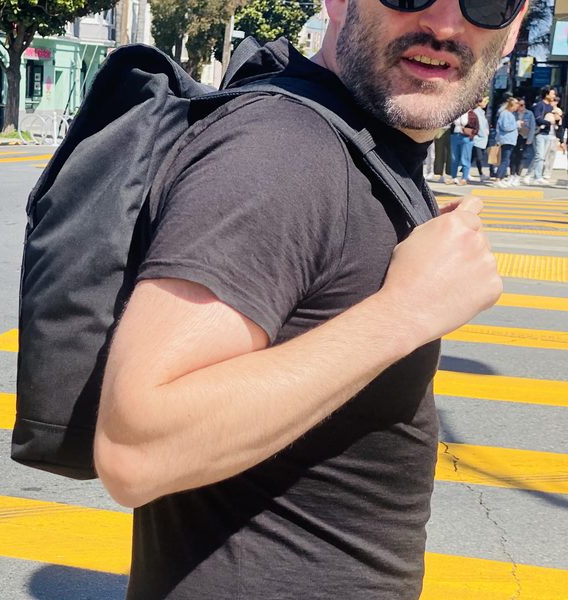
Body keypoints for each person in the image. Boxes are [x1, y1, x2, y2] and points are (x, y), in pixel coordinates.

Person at [94, 0, 517, 596]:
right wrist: (405, 313)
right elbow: (136, 448)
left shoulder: (363, 139)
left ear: (517, 21)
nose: (446, 25)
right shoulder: (281, 151)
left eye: (489, 1)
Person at [530, 86, 557, 184]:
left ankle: (529, 175)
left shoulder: (550, 107)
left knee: (541, 157)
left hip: (547, 133)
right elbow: (538, 119)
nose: (554, 96)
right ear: (546, 94)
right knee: (539, 156)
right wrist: (549, 122)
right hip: (539, 134)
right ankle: (537, 177)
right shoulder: (539, 105)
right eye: (552, 94)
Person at [494, 97, 520, 186]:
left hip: (509, 140)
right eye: (516, 105)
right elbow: (505, 127)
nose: (517, 108)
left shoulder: (509, 114)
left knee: (506, 159)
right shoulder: (505, 114)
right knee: (504, 160)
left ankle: (501, 177)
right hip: (506, 139)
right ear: (511, 106)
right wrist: (516, 124)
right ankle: (498, 178)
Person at [450, 108, 480, 184]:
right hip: (455, 135)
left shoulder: (471, 114)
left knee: (465, 158)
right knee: (454, 158)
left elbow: (476, 127)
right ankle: (453, 177)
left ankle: (464, 178)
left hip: (466, 137)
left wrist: (471, 134)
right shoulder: (455, 112)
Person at [511, 97, 536, 185]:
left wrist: (530, 139)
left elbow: (532, 127)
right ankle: (512, 174)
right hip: (514, 136)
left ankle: (518, 175)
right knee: (513, 156)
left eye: (522, 105)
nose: (521, 107)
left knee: (521, 156)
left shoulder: (529, 114)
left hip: (524, 137)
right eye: (519, 105)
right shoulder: (513, 113)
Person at [542, 97, 562, 181]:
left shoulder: (558, 111)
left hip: (554, 135)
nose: (553, 103)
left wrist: (560, 139)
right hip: (546, 134)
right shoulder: (547, 110)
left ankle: (548, 172)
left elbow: (560, 124)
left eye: (555, 101)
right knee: (544, 154)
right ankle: (542, 171)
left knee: (552, 155)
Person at [472, 97, 490, 181]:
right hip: (478, 138)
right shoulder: (477, 113)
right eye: (484, 101)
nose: (486, 103)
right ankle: (481, 174)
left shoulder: (482, 112)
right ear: (479, 103)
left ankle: (465, 172)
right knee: (479, 157)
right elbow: (480, 126)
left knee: (474, 156)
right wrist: (484, 133)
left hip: (482, 138)